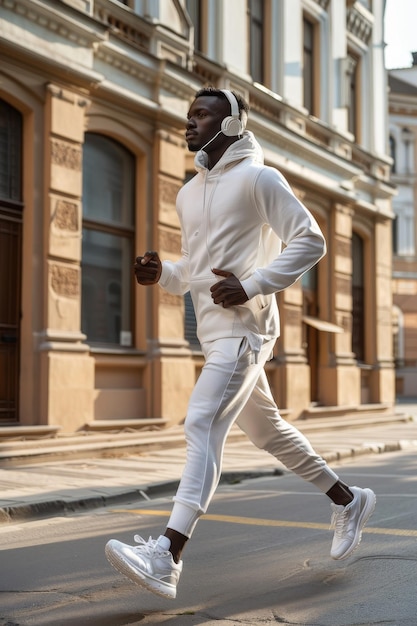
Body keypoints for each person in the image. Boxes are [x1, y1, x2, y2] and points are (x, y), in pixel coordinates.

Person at [105, 87, 376, 600]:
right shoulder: (189, 192)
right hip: (212, 332)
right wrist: (162, 271)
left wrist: (252, 285)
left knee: (202, 421)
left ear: (231, 125)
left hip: (247, 329)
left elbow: (310, 239)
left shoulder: (259, 178)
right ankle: (347, 499)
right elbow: (194, 271)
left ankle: (166, 553)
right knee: (267, 431)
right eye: (187, 115)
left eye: (201, 115)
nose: (189, 124)